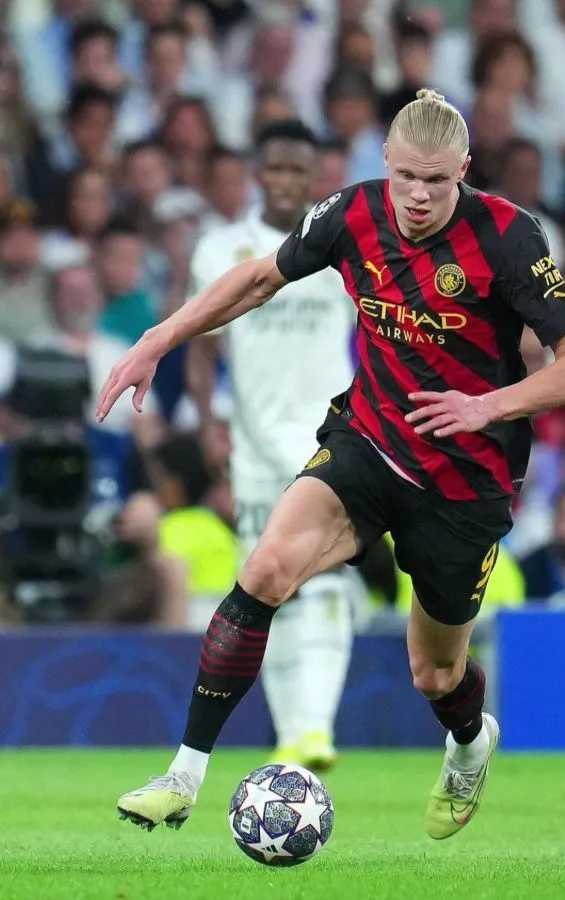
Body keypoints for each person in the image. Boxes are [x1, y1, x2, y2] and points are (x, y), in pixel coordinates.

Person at [98, 89, 565, 841]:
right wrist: (158, 338)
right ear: (384, 165)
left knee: (434, 675)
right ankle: (183, 774)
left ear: (463, 168)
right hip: (368, 442)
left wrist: (484, 406)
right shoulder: (351, 213)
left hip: (464, 482)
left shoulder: (507, 235)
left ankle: (468, 742)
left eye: (436, 180)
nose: (419, 196)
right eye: (405, 177)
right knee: (265, 569)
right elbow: (260, 275)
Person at [184, 120, 356, 770]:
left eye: (297, 170)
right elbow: (203, 345)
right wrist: (208, 423)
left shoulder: (341, 249)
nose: (285, 181)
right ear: (259, 174)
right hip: (254, 448)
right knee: (262, 591)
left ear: (314, 179)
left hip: (329, 444)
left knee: (327, 584)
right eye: (275, 168)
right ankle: (292, 733)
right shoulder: (221, 248)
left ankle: (317, 727)